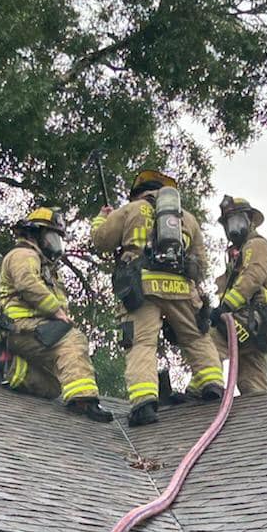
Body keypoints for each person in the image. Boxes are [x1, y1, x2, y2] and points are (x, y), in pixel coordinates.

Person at [91, 170, 225, 426]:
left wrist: (101, 219)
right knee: (196, 337)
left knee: (142, 344)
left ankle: (144, 403)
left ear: (138, 192)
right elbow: (202, 264)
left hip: (142, 286)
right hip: (183, 289)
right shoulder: (187, 218)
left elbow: (101, 241)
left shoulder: (133, 209)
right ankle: (213, 385)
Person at [0, 207, 113, 422]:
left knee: (53, 386)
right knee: (72, 340)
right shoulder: (24, 254)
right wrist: (57, 311)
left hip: (31, 333)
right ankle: (83, 399)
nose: (55, 244)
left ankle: (10, 367)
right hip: (23, 326)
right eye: (52, 237)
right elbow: (27, 284)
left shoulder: (45, 265)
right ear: (35, 234)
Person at [209, 196, 267, 395]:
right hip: (255, 322)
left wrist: (225, 308)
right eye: (229, 223)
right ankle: (265, 416)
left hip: (253, 316)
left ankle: (205, 387)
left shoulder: (256, 245)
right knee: (252, 381)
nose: (234, 227)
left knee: (209, 341)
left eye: (238, 221)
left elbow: (253, 277)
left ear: (250, 221)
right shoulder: (238, 252)